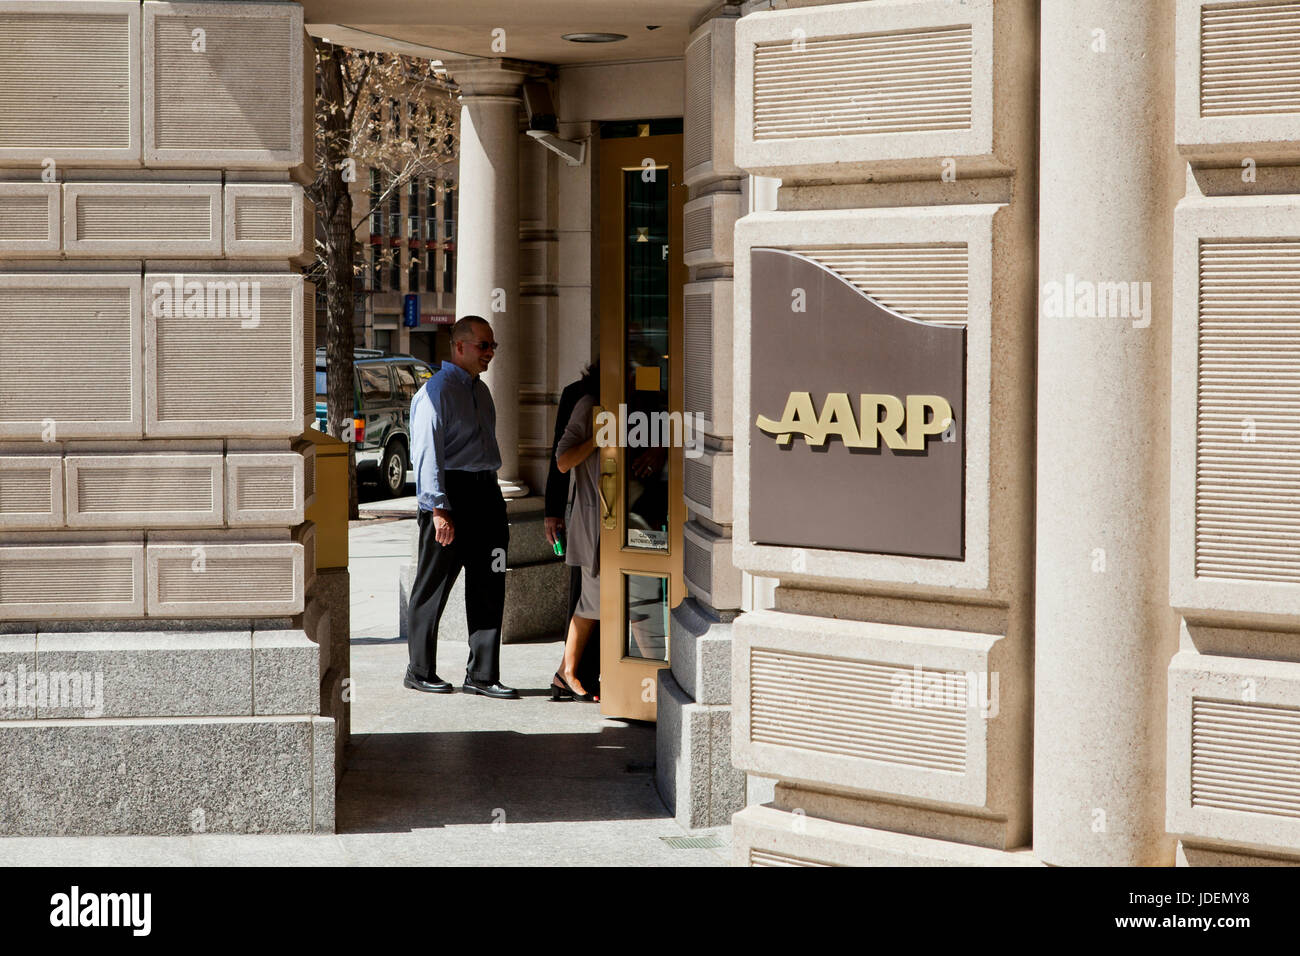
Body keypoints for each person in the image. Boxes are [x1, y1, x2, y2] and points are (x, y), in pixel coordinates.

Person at [404, 315, 518, 700]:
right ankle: (419, 670)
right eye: (483, 345)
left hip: (487, 493)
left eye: (492, 347)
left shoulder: (481, 391)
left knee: (490, 582)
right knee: (432, 584)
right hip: (451, 496)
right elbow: (426, 455)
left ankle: (483, 675)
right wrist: (437, 509)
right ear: (459, 347)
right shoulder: (434, 393)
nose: (490, 353)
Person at [544, 367, 600, 697]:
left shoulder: (628, 403)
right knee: (595, 601)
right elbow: (561, 459)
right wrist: (597, 439)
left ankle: (569, 673)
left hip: (617, 519)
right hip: (595, 521)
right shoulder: (586, 401)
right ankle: (567, 672)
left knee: (602, 602)